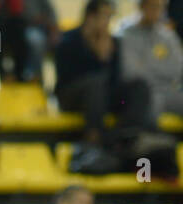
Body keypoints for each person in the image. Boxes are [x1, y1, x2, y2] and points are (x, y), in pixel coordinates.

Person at [55, 0, 154, 144]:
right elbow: (67, 77)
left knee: (139, 86)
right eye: (104, 16)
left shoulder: (113, 43)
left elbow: (115, 78)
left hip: (103, 96)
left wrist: (106, 58)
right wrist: (95, 55)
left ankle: (125, 135)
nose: (107, 22)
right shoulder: (69, 40)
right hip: (73, 97)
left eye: (110, 17)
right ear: (90, 17)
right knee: (96, 83)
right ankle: (94, 139)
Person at [120, 0, 183, 121]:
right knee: (152, 102)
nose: (157, 12)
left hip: (169, 92)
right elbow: (131, 72)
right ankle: (149, 137)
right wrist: (161, 66)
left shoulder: (168, 36)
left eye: (161, 8)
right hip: (143, 94)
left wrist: (145, 64)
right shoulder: (126, 35)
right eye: (153, 7)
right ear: (142, 7)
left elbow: (178, 69)